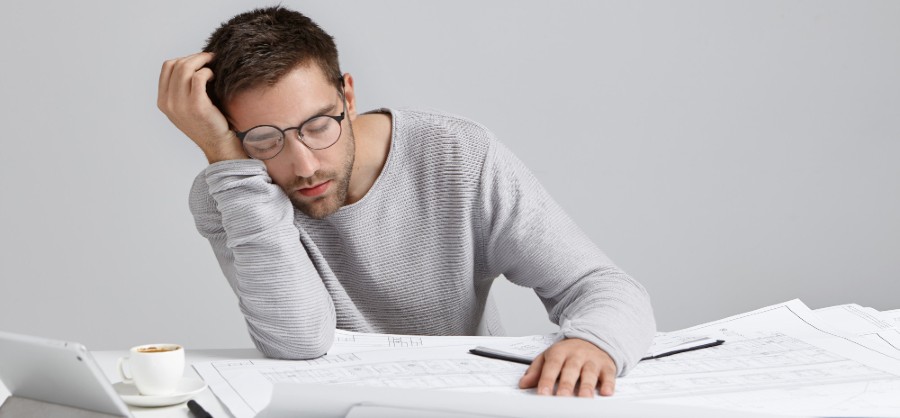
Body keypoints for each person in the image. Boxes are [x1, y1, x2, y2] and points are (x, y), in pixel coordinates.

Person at [157, 6, 655, 398]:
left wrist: (592, 343)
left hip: (467, 403)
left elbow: (602, 286)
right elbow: (300, 342)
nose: (304, 165)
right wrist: (225, 159)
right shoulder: (233, 190)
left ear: (348, 97)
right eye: (264, 140)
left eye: (318, 126)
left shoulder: (456, 155)